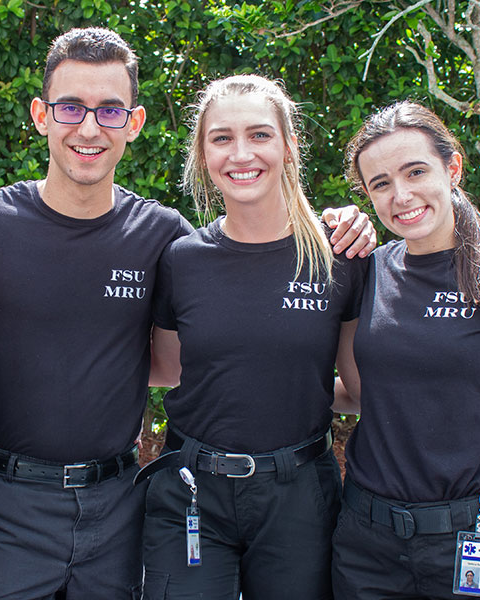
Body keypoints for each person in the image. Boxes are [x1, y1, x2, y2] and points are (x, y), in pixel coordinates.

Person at [0, 29, 375, 599]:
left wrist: (340, 224)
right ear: (41, 115)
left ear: (133, 123)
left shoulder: (164, 237)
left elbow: (227, 296)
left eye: (109, 110)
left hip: (117, 503)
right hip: (7, 503)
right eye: (71, 107)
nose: (89, 128)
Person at [136, 74, 367, 600]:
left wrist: (473, 399)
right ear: (202, 154)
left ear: (289, 147)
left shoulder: (340, 258)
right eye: (221, 138)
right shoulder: (182, 260)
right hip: (191, 493)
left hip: (300, 496)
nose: (241, 153)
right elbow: (174, 371)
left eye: (260, 135)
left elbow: (362, 392)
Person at [331, 101, 480, 600]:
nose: (401, 195)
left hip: (471, 539)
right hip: (366, 542)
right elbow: (367, 394)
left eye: (416, 172)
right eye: (381, 184)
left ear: (451, 167)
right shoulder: (366, 272)